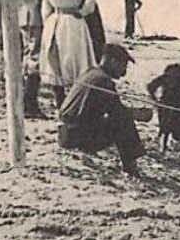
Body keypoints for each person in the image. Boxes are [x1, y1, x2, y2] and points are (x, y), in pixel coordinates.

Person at [58, 42, 148, 175]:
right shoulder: (104, 81)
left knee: (119, 119)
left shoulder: (91, 73)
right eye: (123, 65)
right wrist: (139, 115)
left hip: (65, 133)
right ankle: (131, 168)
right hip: (75, 137)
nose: (124, 71)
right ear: (112, 61)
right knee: (124, 122)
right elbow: (118, 113)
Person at [41, 0, 99, 108]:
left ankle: (59, 100)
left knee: (55, 62)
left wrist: (47, 21)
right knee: (76, 59)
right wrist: (83, 11)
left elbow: (45, 5)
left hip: (54, 21)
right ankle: (75, 99)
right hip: (72, 21)